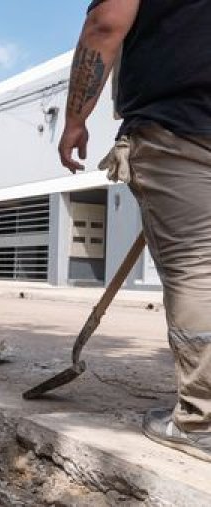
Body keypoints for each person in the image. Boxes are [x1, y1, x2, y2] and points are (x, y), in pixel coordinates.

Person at [59, 0, 211, 462]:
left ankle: (201, 423)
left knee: (196, 269)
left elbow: (106, 23)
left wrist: (73, 121)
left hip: (180, 127)